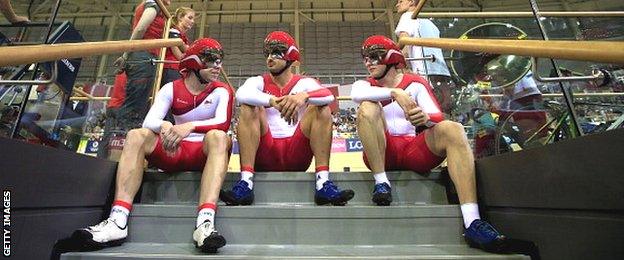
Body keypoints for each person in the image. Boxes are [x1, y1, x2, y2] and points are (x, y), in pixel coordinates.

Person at [73, 38, 234, 253]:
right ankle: (117, 220)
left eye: (220, 61)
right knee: (137, 135)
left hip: (203, 153)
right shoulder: (171, 88)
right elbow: (150, 121)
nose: (218, 66)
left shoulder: (222, 90)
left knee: (220, 137)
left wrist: (189, 127)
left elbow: (222, 123)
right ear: (195, 62)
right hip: (174, 148)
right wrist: (166, 125)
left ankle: (205, 223)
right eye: (212, 60)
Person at [351, 35, 506, 252]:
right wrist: (396, 92)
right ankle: (381, 182)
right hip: (381, 152)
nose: (368, 62)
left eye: (374, 57)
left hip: (411, 149)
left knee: (453, 129)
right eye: (365, 58)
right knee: (367, 107)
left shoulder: (415, 83)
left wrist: (425, 118)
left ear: (393, 59)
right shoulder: (364, 84)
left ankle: (472, 221)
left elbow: (436, 115)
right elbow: (355, 94)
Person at [220, 31, 354, 206]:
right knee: (248, 107)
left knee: (321, 109)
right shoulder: (259, 81)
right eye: (267, 53)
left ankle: (323, 183)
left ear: (290, 56)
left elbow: (328, 96)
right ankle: (246, 182)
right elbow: (242, 94)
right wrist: (272, 101)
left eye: (275, 53)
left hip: (296, 153)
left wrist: (303, 96)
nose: (269, 58)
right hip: (265, 152)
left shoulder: (303, 83)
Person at [114, 0, 170, 132]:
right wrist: (125, 55)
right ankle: (122, 139)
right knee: (135, 106)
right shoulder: (153, 4)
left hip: (144, 55)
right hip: (143, 55)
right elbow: (140, 28)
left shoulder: (153, 6)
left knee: (137, 102)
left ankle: (124, 138)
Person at [395, 0, 455, 115]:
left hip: (423, 71)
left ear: (412, 2)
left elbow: (404, 41)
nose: (397, 4)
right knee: (442, 110)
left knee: (425, 111)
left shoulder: (408, 16)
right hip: (441, 71)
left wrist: (398, 64)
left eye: (401, 1)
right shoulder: (431, 24)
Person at [161, 6, 195, 86]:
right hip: (170, 68)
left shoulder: (182, 36)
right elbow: (179, 56)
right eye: (190, 18)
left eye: (193, 19)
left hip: (178, 69)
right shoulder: (173, 31)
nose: (193, 21)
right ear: (180, 17)